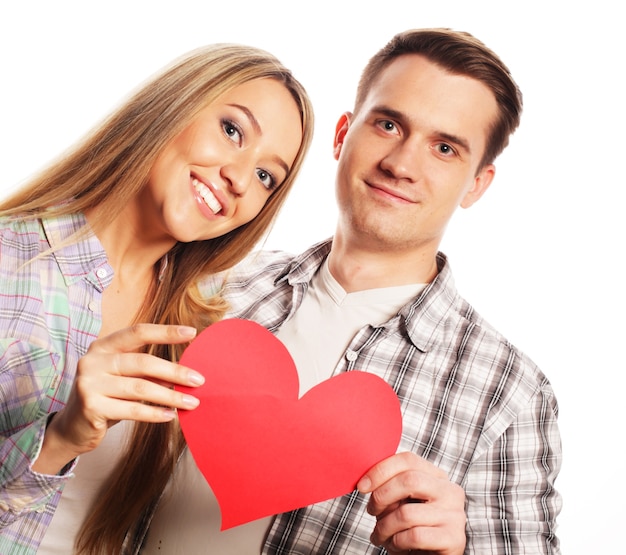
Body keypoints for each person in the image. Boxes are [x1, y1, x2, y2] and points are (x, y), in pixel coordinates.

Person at [179, 28, 560, 554]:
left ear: (476, 183)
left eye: (444, 148)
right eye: (387, 124)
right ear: (342, 135)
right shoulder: (211, 286)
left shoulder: (509, 393)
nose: (401, 165)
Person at [0, 43, 313, 555]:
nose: (238, 178)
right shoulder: (11, 258)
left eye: (265, 177)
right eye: (232, 131)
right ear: (174, 106)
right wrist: (60, 438)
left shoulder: (212, 321)